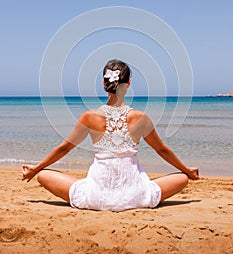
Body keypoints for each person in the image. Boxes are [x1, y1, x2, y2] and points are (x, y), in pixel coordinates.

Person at [21, 59, 199, 211]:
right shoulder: (140, 118)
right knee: (182, 178)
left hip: (95, 196)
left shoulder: (90, 117)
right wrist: (186, 170)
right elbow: (162, 150)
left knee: (43, 175)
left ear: (104, 84)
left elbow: (64, 148)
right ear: (128, 84)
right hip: (135, 195)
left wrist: (35, 169)